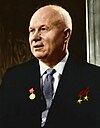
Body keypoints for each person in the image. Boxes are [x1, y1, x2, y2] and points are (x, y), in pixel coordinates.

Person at [0, 4, 100, 128]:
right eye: (32, 30)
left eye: (43, 29)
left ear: (66, 35)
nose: (35, 37)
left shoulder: (94, 78)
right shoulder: (14, 78)